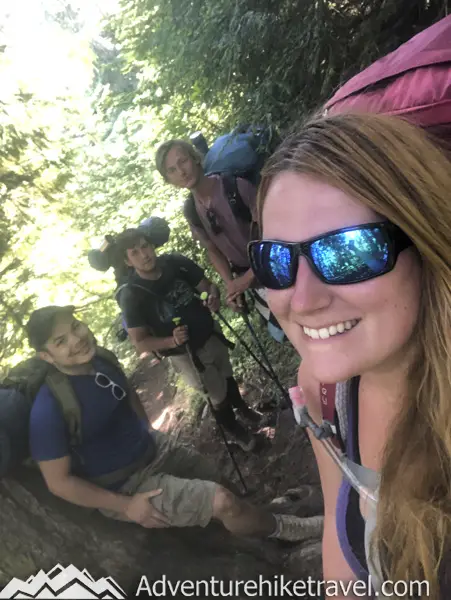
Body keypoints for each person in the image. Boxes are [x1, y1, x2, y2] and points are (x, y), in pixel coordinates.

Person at [250, 112, 451, 598]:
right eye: (275, 260)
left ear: (426, 243)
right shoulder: (324, 389)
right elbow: (342, 563)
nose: (301, 300)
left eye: (349, 251)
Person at [26, 305, 323, 540]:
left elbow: (126, 393)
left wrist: (149, 432)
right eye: (60, 341)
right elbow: (59, 483)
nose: (77, 339)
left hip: (155, 448)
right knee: (222, 502)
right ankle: (292, 530)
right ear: (46, 356)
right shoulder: (48, 410)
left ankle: (264, 516)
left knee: (220, 481)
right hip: (128, 485)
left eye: (75, 326)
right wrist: (125, 506)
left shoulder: (101, 358)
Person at [114, 227, 261, 452]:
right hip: (185, 353)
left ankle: (243, 409)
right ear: (127, 261)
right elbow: (139, 341)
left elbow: (207, 285)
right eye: (135, 252)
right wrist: (171, 341)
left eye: (145, 246)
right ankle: (234, 430)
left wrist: (213, 297)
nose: (144, 254)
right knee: (215, 393)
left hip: (210, 332)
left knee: (227, 374)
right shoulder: (131, 294)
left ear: (152, 245)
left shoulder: (174, 262)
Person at [154, 138, 285, 341]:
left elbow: (277, 232)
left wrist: (247, 278)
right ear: (169, 180)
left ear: (196, 159)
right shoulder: (192, 211)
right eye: (171, 170)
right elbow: (212, 249)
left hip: (281, 266)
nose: (181, 171)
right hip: (254, 282)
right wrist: (231, 285)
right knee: (284, 334)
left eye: (183, 161)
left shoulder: (235, 186)